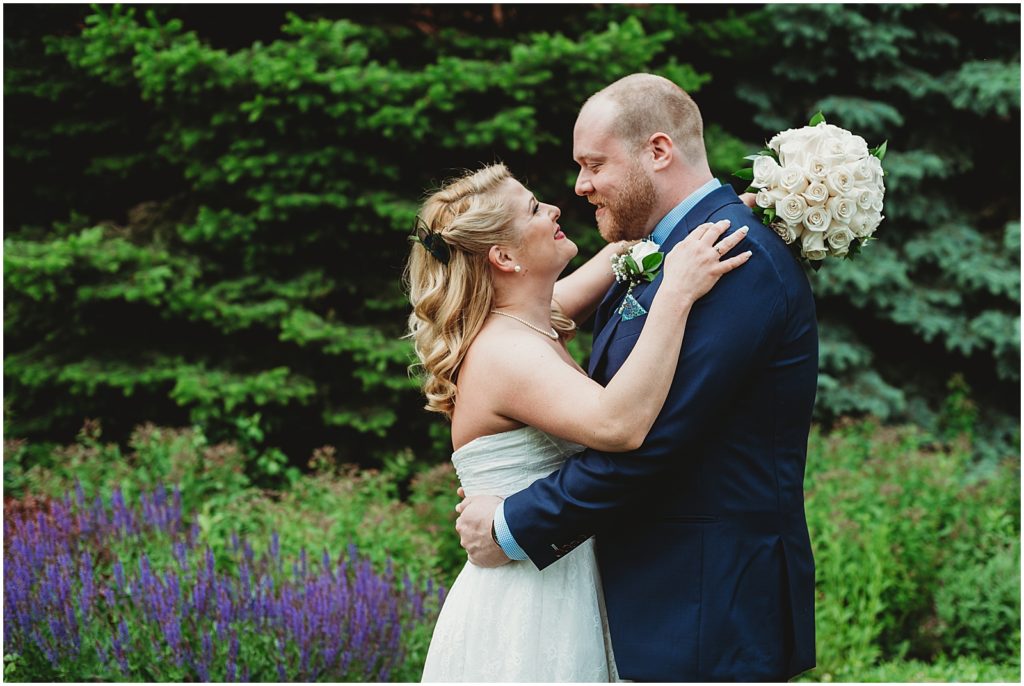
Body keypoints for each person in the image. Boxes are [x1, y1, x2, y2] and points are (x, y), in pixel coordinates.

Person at [455, 73, 819, 682]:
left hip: (707, 606)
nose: (578, 186)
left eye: (593, 163)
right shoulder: (669, 252)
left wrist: (513, 524)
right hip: (659, 601)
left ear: (657, 151)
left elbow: (649, 441)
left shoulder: (729, 257)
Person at [405, 159, 751, 681]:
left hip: (555, 571)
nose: (554, 208)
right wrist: (677, 292)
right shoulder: (506, 353)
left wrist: (731, 211)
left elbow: (620, 257)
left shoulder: (526, 317)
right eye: (534, 209)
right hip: (531, 604)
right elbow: (619, 425)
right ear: (503, 256)